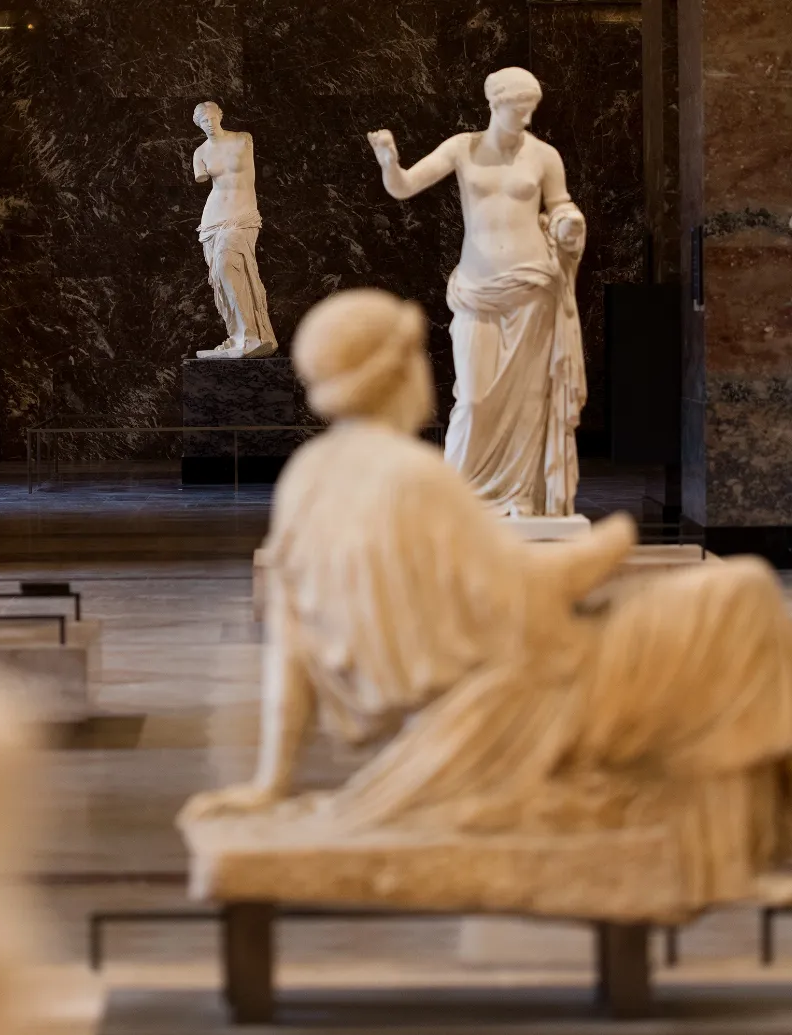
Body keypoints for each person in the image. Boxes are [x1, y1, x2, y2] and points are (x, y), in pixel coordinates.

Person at [182, 288, 792, 908]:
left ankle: (731, 853)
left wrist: (271, 780)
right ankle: (733, 855)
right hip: (516, 702)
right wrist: (608, 546)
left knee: (716, 607)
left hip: (467, 703)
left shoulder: (307, 478)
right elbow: (522, 597)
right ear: (397, 372)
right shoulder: (414, 478)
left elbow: (289, 649)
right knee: (737, 601)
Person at [368, 67, 586, 517]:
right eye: (516, 109)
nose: (524, 120)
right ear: (495, 103)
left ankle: (520, 498)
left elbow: (560, 204)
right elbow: (405, 186)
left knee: (528, 400)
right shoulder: (463, 148)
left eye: (530, 111)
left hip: (532, 286)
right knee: (473, 396)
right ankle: (462, 499)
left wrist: (568, 222)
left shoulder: (544, 156)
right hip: (477, 288)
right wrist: (389, 160)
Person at [192, 101, 278, 359]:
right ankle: (241, 336)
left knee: (228, 264)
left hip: (242, 215)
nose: (209, 123)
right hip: (213, 219)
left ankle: (253, 334)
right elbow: (205, 179)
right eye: (203, 121)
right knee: (220, 274)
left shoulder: (243, 139)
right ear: (199, 125)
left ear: (220, 116)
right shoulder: (201, 153)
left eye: (211, 118)